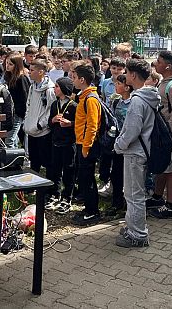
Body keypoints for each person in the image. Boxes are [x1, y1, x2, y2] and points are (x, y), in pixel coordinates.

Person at [115, 59, 160, 248]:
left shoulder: (137, 100)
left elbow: (132, 130)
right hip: (142, 150)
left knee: (133, 194)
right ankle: (133, 226)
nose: (125, 75)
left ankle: (138, 234)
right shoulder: (149, 96)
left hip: (135, 152)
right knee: (134, 193)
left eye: (126, 72)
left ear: (133, 75)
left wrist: (119, 145)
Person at [147, 51, 172, 219]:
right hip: (164, 134)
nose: (156, 64)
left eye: (159, 61)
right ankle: (157, 197)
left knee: (171, 169)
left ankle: (171, 206)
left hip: (171, 135)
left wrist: (167, 136)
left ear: (168, 66)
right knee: (163, 166)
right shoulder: (165, 82)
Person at [72, 64, 102, 226]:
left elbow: (92, 125)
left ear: (82, 80)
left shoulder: (90, 99)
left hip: (87, 146)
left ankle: (93, 211)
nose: (73, 81)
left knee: (88, 178)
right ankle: (88, 208)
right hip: (81, 143)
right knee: (84, 178)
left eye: (74, 78)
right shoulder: (84, 96)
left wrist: (86, 147)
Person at [46, 76, 77, 215]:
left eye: (57, 86)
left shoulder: (73, 105)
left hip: (69, 143)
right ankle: (55, 194)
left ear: (64, 89)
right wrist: (53, 120)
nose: (54, 89)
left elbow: (79, 124)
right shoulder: (55, 104)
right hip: (55, 142)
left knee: (69, 171)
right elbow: (49, 123)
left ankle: (67, 197)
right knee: (55, 170)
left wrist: (70, 124)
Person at [105, 73, 133, 216]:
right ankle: (117, 202)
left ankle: (129, 203)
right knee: (116, 173)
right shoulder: (116, 101)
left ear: (127, 87)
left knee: (129, 176)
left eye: (119, 84)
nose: (116, 86)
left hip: (130, 144)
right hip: (117, 143)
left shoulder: (134, 103)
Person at [23, 59, 56, 173]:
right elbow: (28, 104)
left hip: (43, 132)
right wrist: (27, 120)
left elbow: (51, 110)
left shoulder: (49, 90)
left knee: (47, 161)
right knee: (34, 161)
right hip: (31, 130)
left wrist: (41, 124)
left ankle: (49, 183)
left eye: (32, 70)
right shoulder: (32, 87)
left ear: (41, 72)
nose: (29, 72)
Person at [4, 52, 30, 148]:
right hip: (11, 112)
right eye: (7, 63)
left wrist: (21, 113)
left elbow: (25, 97)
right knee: (13, 139)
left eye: (10, 64)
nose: (7, 66)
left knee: (10, 139)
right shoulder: (9, 77)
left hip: (18, 113)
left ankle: (13, 156)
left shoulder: (21, 78)